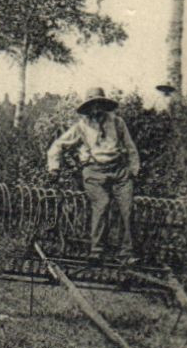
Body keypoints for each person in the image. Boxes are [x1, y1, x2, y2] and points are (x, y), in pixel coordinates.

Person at [47, 87, 141, 262]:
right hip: (94, 172)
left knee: (127, 208)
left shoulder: (118, 123)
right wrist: (54, 168)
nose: (96, 110)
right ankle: (97, 252)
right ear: (88, 107)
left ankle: (127, 254)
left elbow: (131, 148)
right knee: (102, 203)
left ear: (104, 105)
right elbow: (58, 145)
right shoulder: (81, 127)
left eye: (99, 104)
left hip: (119, 171)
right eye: (92, 105)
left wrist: (133, 170)